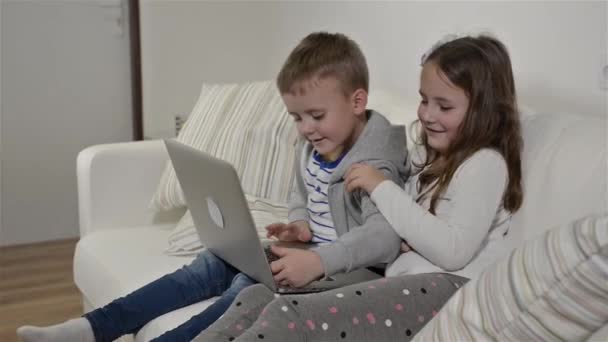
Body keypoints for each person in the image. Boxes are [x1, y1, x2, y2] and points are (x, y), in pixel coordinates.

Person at [17, 32, 409, 342]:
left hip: (352, 270)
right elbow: (301, 193)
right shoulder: (316, 145)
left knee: (245, 285)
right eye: (296, 118)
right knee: (213, 263)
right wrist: (299, 223)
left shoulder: (374, 162)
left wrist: (318, 261)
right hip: (311, 251)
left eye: (316, 115)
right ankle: (92, 328)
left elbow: (383, 237)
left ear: (357, 102)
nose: (306, 128)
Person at [193, 34, 524, 342]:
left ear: (485, 110)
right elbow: (415, 228)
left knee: (287, 312)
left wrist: (382, 188)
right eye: (424, 101)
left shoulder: (486, 164)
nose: (427, 114)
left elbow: (452, 252)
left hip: (448, 292)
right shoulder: (431, 160)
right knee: (257, 294)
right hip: (404, 282)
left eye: (444, 106)